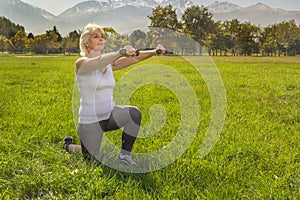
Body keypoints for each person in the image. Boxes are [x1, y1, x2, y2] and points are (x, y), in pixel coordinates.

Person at [63, 23, 166, 165]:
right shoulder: (81, 64)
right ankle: (69, 146)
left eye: (102, 36)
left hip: (110, 116)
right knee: (92, 158)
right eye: (96, 36)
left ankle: (124, 156)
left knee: (133, 113)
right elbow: (99, 61)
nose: (101, 39)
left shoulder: (110, 64)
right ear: (86, 43)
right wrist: (120, 52)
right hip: (90, 123)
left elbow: (134, 58)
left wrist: (154, 52)